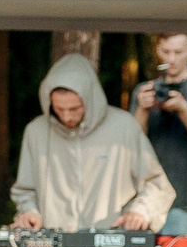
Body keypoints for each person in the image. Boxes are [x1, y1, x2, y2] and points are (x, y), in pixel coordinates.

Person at [9, 54, 173, 233]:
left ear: (90, 100)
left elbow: (158, 184)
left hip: (111, 244)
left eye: (74, 108)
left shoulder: (124, 126)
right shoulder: (36, 131)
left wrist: (140, 212)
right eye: (58, 109)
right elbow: (25, 190)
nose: (67, 116)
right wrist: (29, 212)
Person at [130, 31, 187, 233]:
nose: (171, 59)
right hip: (144, 200)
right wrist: (143, 109)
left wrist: (183, 108)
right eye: (166, 52)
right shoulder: (143, 90)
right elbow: (132, 142)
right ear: (158, 51)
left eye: (178, 52)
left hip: (186, 199)